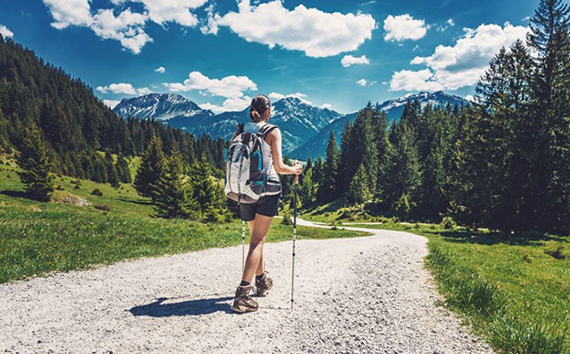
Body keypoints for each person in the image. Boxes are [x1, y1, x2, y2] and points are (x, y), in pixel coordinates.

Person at [232, 94, 303, 313]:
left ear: (251, 110)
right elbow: (279, 166)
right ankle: (242, 295)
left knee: (256, 239)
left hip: (244, 190)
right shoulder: (272, 131)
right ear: (268, 112)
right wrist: (295, 170)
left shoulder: (240, 128)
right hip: (267, 190)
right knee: (258, 241)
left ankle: (261, 281)